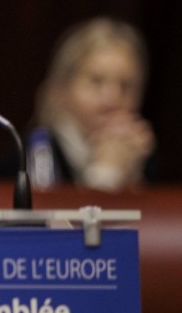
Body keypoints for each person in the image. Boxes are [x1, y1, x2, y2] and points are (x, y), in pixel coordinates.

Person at [25, 17, 156, 192]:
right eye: (96, 81)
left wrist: (135, 178)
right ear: (61, 89)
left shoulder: (143, 156)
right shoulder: (29, 154)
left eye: (126, 86)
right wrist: (105, 174)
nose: (112, 99)